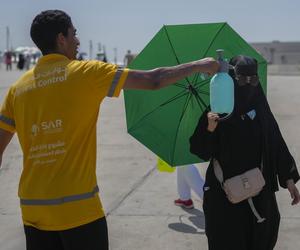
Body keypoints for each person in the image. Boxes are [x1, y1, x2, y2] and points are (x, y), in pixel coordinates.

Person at [0, 10, 219, 250]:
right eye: (74, 33)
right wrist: (199, 65)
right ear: (61, 38)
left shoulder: (18, 89)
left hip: (32, 208)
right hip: (78, 209)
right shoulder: (86, 72)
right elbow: (152, 80)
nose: (78, 40)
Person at [190, 55, 300, 250]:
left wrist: (289, 178)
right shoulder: (217, 111)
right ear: (231, 78)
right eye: (242, 79)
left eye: (253, 79)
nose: (248, 84)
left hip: (259, 194)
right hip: (224, 198)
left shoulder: (261, 108)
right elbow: (200, 151)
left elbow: (275, 141)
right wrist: (209, 128)